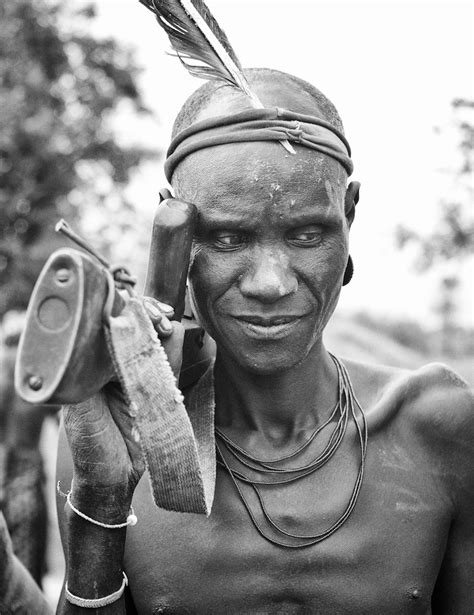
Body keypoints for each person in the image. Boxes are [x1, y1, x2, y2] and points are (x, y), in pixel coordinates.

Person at [54, 68, 473, 614]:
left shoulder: (437, 428)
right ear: (172, 233)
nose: (271, 283)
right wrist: (100, 505)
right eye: (228, 238)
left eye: (306, 235)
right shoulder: (116, 438)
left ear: (348, 215)